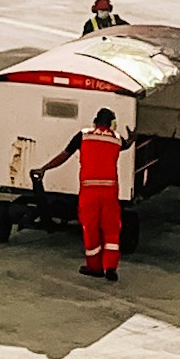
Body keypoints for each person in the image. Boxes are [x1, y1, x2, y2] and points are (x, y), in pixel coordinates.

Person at [38, 104, 134, 280]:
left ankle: (95, 267)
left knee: (90, 228)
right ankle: (111, 267)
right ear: (112, 124)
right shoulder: (117, 139)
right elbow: (126, 145)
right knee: (111, 228)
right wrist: (133, 138)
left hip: (89, 191)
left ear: (95, 122)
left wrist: (44, 168)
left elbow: (64, 155)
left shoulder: (83, 136)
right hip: (110, 191)